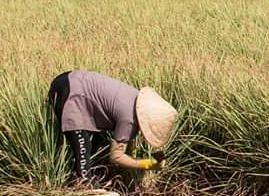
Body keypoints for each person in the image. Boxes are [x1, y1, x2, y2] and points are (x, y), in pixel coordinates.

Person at [47, 69, 178, 183]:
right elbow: (116, 156)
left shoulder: (135, 98)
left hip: (72, 79)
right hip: (70, 91)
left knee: (95, 143)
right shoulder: (129, 119)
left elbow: (125, 140)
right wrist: (147, 164)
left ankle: (90, 179)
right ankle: (84, 185)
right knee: (83, 146)